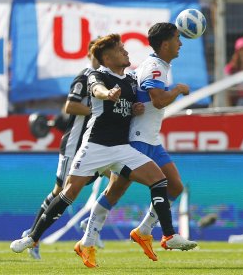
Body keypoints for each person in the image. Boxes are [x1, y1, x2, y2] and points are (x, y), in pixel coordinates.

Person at [10, 34, 196, 268]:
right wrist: (107, 94)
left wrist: (135, 108)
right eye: (121, 50)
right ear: (108, 58)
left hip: (121, 148)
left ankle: (168, 235)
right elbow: (97, 89)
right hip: (95, 147)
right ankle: (32, 237)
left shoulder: (129, 80)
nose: (126, 52)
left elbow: (137, 103)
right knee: (68, 193)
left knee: (159, 179)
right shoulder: (97, 76)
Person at [79, 22, 195, 262]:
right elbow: (159, 100)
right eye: (176, 39)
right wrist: (178, 89)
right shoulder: (155, 67)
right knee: (114, 192)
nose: (180, 43)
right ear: (165, 44)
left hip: (151, 140)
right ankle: (88, 239)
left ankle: (144, 231)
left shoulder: (157, 65)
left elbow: (141, 96)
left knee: (175, 187)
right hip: (136, 141)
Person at [17, 39, 103, 260]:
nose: (99, 57)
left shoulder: (105, 78)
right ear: (90, 54)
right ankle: (33, 236)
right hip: (74, 145)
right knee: (62, 192)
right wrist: (97, 109)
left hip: (94, 143)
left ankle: (91, 222)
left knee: (116, 176)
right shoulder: (84, 77)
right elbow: (71, 105)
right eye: (97, 53)